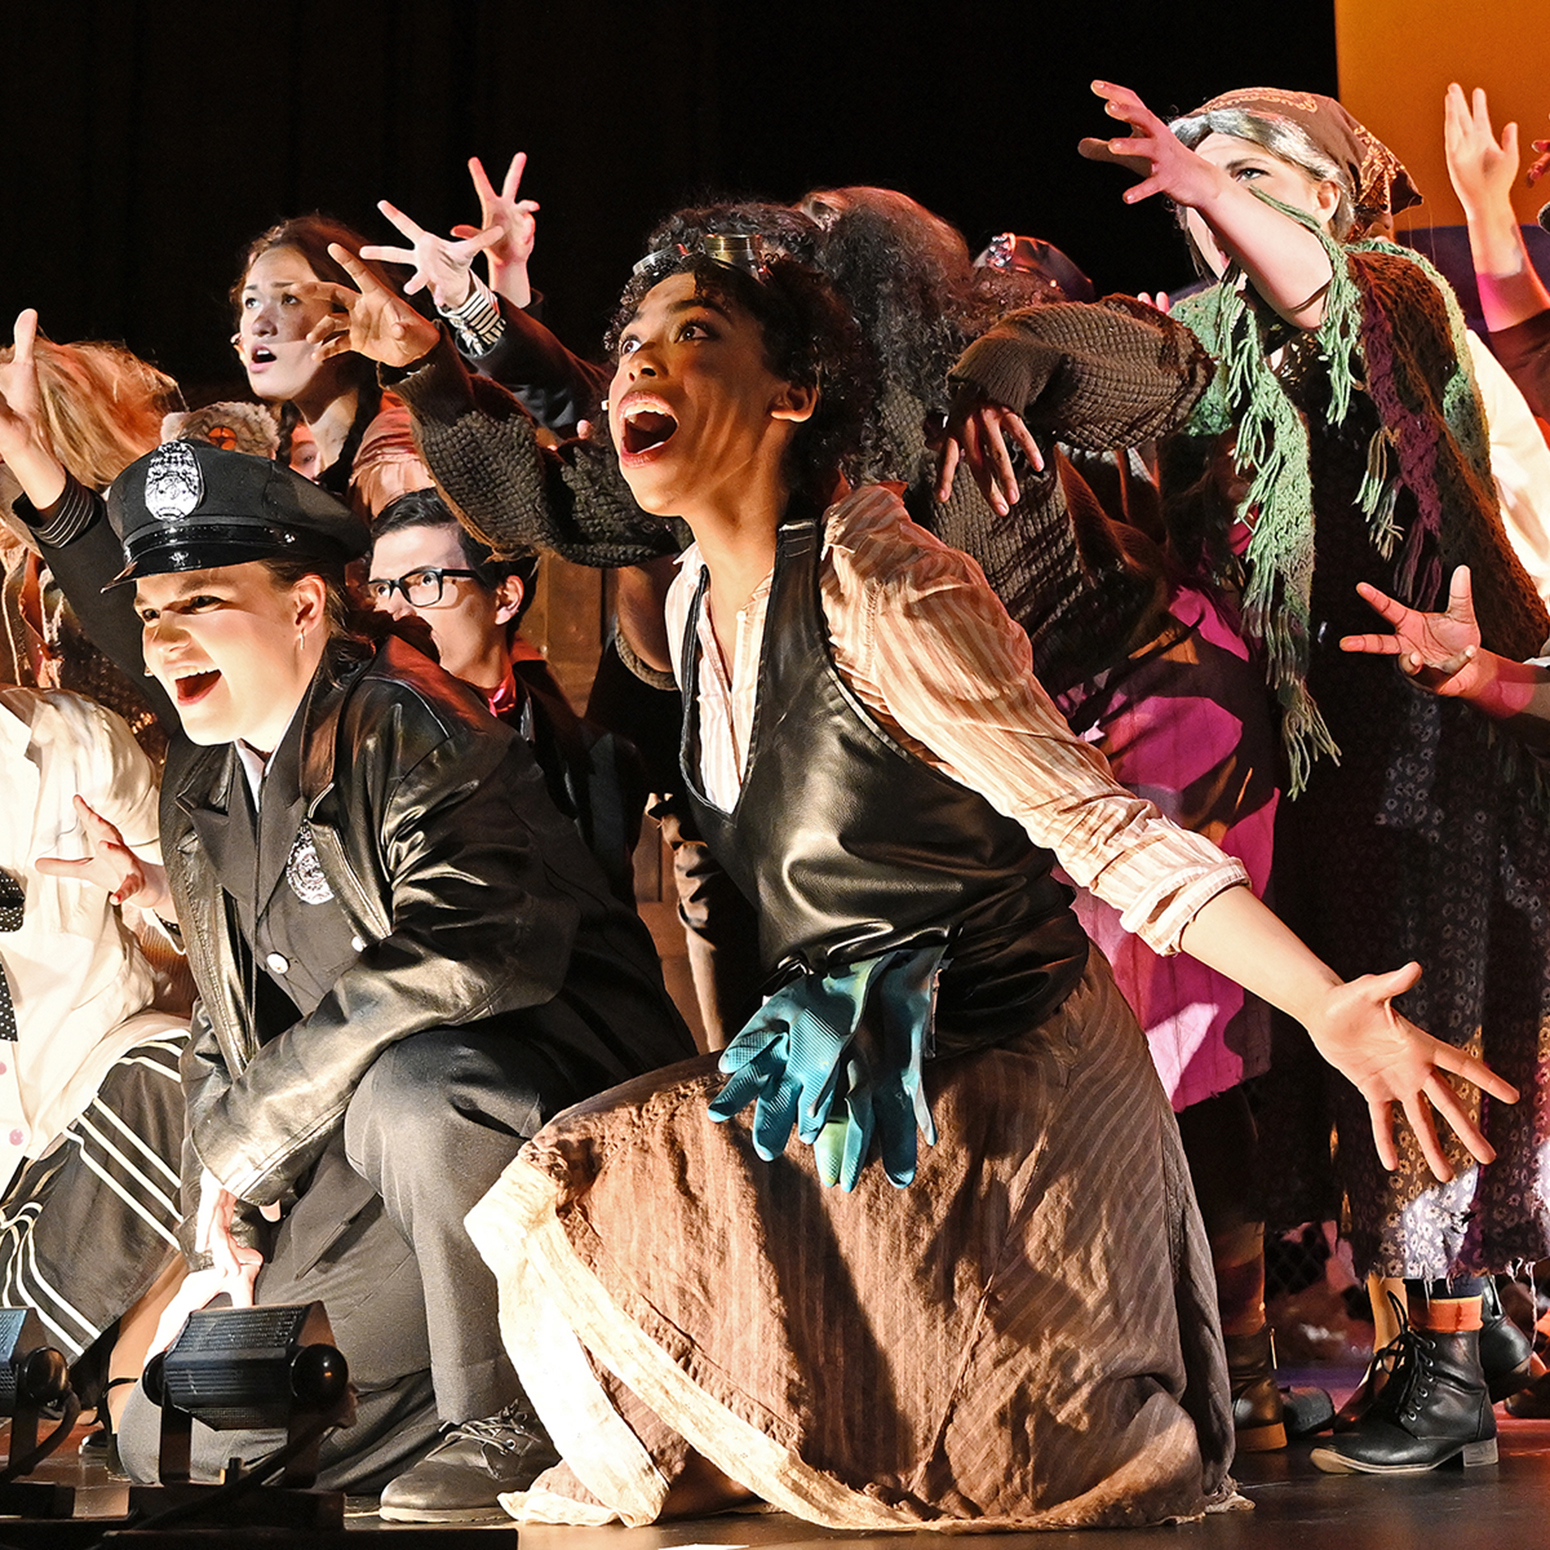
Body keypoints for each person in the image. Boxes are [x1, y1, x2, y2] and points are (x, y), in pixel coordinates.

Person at [325, 223, 1510, 1527]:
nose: (642, 369)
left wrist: (1328, 1003)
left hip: (1006, 1085)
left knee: (994, 1466)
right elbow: (540, 498)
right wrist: (440, 360)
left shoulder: (884, 588)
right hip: (845, 1072)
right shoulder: (686, 603)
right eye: (632, 348)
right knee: (585, 1189)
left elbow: (1105, 830)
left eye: (695, 335)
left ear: (795, 393)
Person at [0, 370, 695, 1514]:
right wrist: (232, 1196)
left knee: (413, 1091)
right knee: (165, 1430)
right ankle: (567, 1382)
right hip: (374, 1170)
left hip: (544, 1133)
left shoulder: (413, 726)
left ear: (308, 609)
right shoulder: (203, 781)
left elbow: (469, 954)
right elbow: (229, 1022)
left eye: (204, 603)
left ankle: (509, 1416)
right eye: (155, 611)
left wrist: (256, 1125)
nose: (166, 640)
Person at [1082, 80, 1550, 1475]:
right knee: (1353, 1050)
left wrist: (1212, 186)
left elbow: (1323, 304)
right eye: (1191, 174)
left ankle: (1449, 1357)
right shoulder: (1207, 347)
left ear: (1325, 193)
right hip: (1320, 749)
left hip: (1439, 737)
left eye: (1242, 167)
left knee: (1427, 1028)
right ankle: (1428, 1340)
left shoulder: (1393, 293)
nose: (1200, 189)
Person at [0, 683, 187, 1412]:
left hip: (86, 1096)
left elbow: (200, 913)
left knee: (174, 1066)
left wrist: (146, 887)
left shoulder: (77, 744)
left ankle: (32, 1368)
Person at [367, 487, 645, 900]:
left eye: (424, 580)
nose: (394, 610)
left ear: (505, 597)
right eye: (381, 589)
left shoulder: (599, 762)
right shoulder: (357, 752)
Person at [233, 215, 407, 504]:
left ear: (348, 314)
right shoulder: (302, 456)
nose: (257, 325)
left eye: (289, 299)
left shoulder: (393, 460)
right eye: (251, 302)